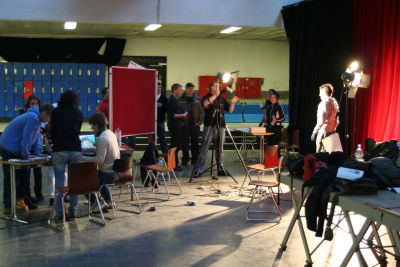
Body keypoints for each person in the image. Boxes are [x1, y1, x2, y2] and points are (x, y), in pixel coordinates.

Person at [0, 104, 53, 215]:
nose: (49, 120)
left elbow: (37, 139)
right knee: (11, 178)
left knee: (24, 174)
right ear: (45, 113)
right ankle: (8, 207)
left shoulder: (38, 120)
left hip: (17, 148)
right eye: (49, 118)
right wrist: (26, 155)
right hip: (8, 147)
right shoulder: (32, 118)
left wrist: (38, 155)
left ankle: (20, 199)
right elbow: (26, 138)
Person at [193, 82, 239, 177]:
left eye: (219, 85)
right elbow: (205, 104)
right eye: (216, 85)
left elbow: (230, 110)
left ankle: (220, 168)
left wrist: (233, 102)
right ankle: (198, 169)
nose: (219, 87)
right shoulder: (207, 97)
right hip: (210, 126)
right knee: (204, 148)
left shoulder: (222, 99)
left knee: (220, 148)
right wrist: (216, 94)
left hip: (221, 126)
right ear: (212, 87)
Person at [51, 90, 83, 222]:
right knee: (74, 183)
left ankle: (60, 214)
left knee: (59, 183)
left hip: (59, 149)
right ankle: (72, 213)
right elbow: (78, 130)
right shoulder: (78, 113)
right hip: (75, 149)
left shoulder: (56, 112)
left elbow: (53, 131)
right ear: (75, 100)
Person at [82, 112, 120, 210]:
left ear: (97, 125)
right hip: (115, 171)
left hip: (108, 173)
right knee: (98, 176)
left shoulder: (102, 138)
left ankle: (97, 203)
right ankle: (109, 201)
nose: (91, 128)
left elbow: (99, 160)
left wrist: (82, 157)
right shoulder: (110, 133)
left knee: (83, 181)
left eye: (92, 126)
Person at [17, 95, 44, 208]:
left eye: (37, 104)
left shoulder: (40, 117)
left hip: (36, 147)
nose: (35, 106)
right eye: (32, 103)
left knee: (38, 172)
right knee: (26, 174)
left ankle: (38, 194)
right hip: (27, 148)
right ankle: (27, 197)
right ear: (28, 105)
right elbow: (26, 136)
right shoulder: (27, 116)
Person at [311, 83, 340, 152]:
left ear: (324, 92)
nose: (319, 94)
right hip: (332, 131)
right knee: (331, 156)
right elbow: (337, 119)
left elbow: (321, 121)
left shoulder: (324, 103)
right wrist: (334, 128)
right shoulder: (334, 103)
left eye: (320, 92)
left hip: (324, 131)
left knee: (321, 156)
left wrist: (314, 132)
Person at [167, 83, 188, 171]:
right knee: (175, 145)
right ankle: (173, 164)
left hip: (177, 125)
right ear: (174, 90)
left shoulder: (176, 100)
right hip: (174, 126)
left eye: (181, 90)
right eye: (179, 90)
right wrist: (183, 115)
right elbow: (173, 115)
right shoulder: (172, 100)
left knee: (176, 145)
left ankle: (173, 163)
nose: (181, 91)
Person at [181, 82, 202, 165]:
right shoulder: (181, 98)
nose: (191, 90)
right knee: (185, 144)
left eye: (192, 88)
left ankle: (195, 159)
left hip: (195, 125)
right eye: (189, 88)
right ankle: (185, 160)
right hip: (184, 125)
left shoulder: (197, 98)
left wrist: (200, 121)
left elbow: (202, 111)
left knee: (195, 143)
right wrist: (181, 122)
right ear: (186, 89)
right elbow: (178, 110)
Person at [157, 82, 169, 154]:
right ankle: (152, 156)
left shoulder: (164, 98)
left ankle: (165, 156)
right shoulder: (151, 96)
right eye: (157, 87)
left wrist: (161, 106)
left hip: (160, 121)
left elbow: (167, 109)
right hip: (151, 123)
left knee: (163, 140)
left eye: (160, 87)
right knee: (151, 141)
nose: (159, 89)